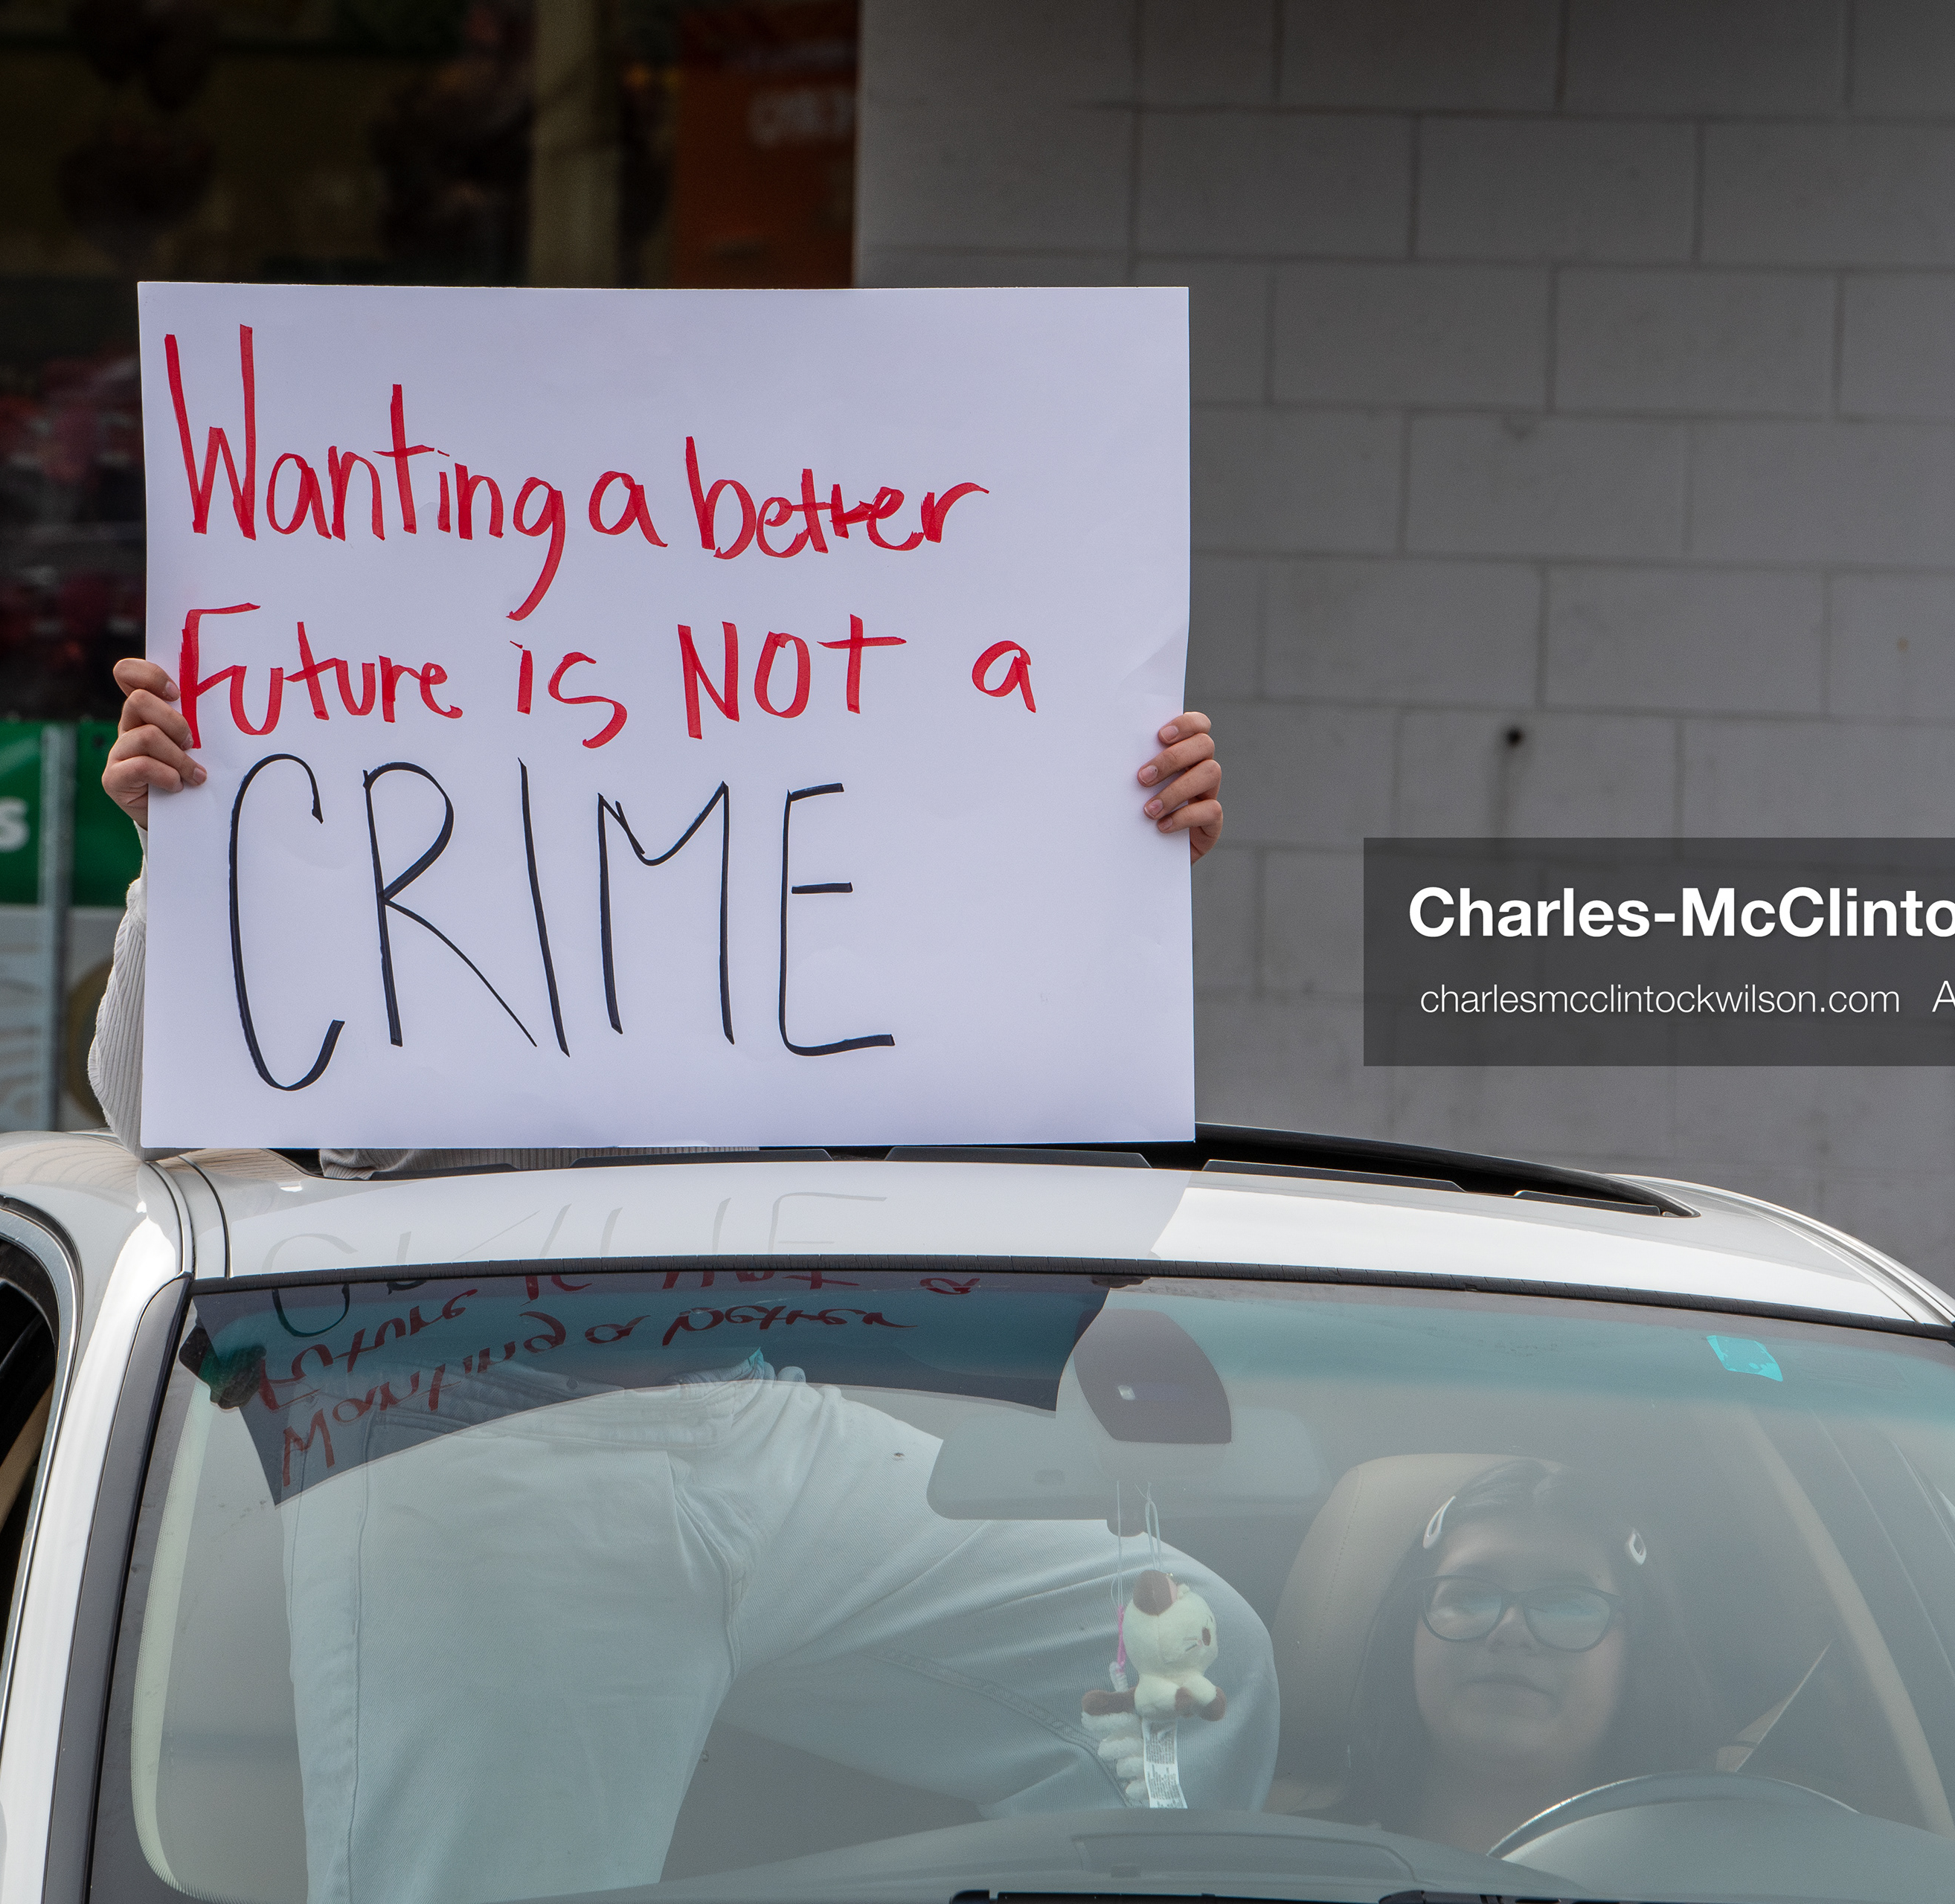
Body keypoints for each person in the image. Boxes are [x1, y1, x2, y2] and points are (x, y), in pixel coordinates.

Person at [86, 655, 1256, 1904]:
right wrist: (188, 852)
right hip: (462, 1433)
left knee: (1199, 1673)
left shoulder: (778, 700)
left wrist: (1108, 880)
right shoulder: (387, 704)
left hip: (753, 1397)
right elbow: (154, 1110)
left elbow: (983, 1054)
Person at [86, 655, 1224, 1162]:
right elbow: (144, 1116)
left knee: (1219, 1645)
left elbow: (1023, 1071)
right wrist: (180, 860)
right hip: (436, 1405)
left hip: (787, 1384)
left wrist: (1112, 851)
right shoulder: (356, 836)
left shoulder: (806, 816)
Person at [1333, 1458, 1720, 1857]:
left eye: (1568, 1604)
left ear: (1638, 1655)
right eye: (1469, 1595)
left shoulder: (1701, 1884)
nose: (1511, 1632)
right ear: (1407, 1632)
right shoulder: (1297, 1868)